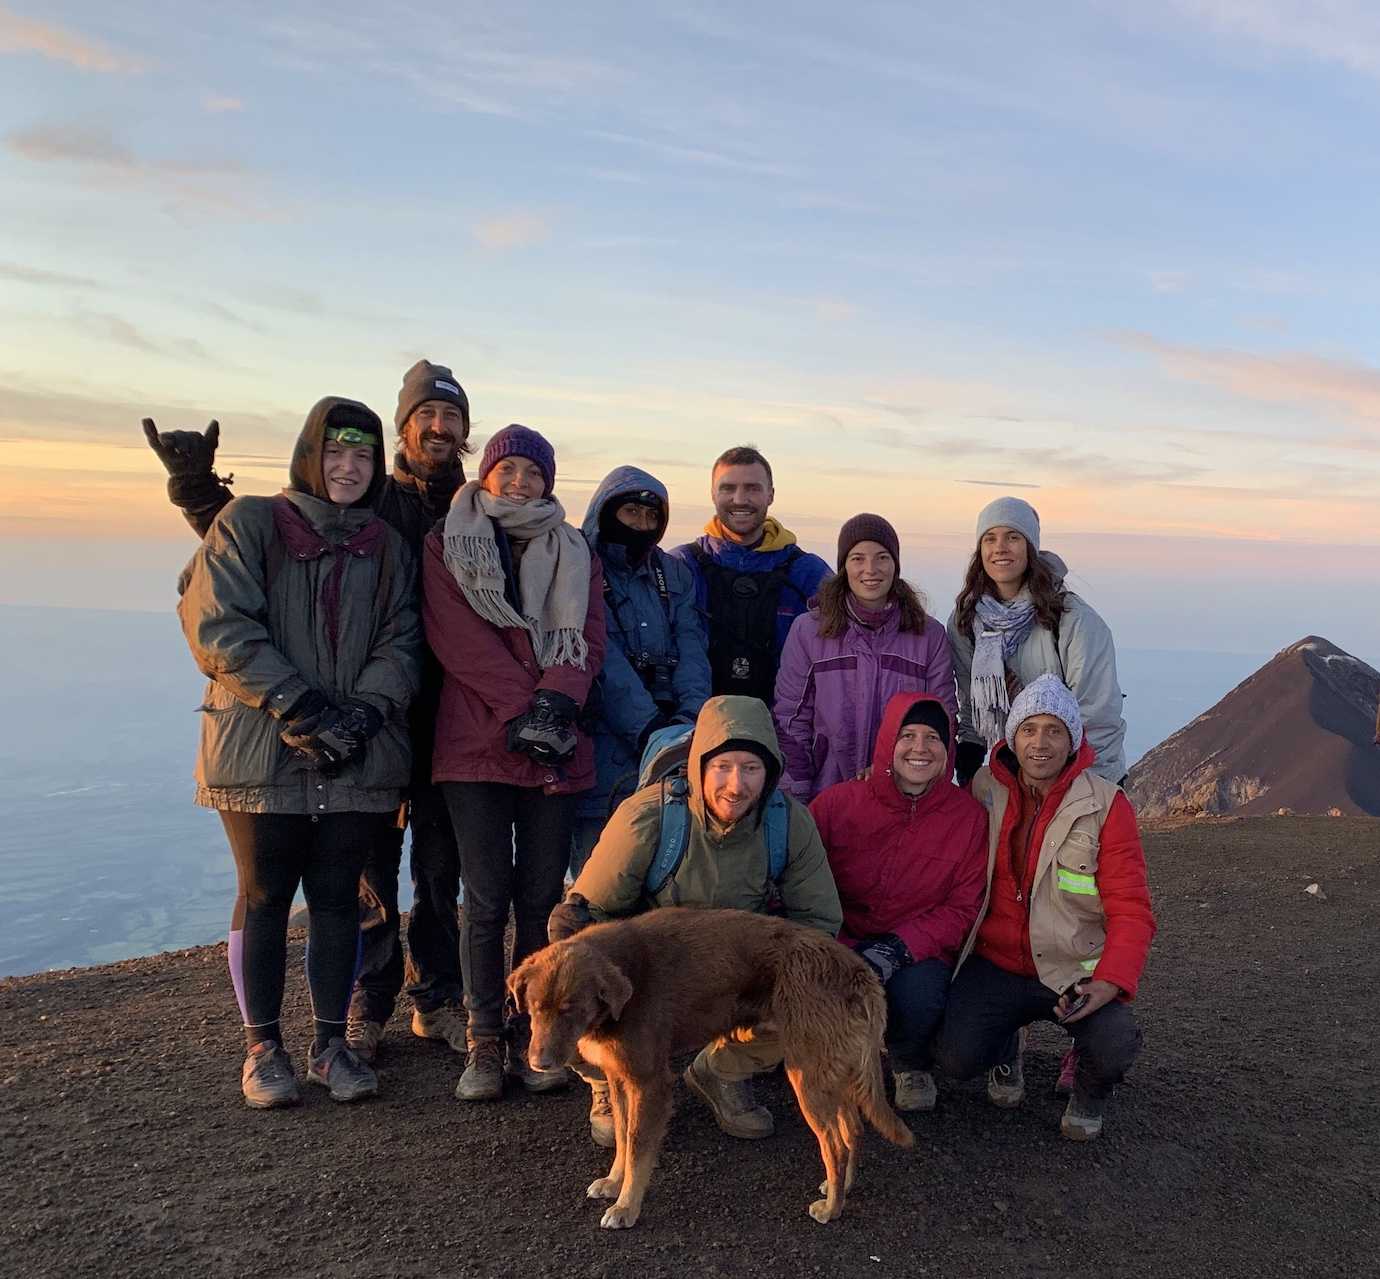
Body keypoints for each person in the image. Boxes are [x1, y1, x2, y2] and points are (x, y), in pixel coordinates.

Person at [146, 360, 472, 1063]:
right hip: (361, 723)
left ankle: (438, 998)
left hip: (439, 717)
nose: (441, 428)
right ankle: (368, 1001)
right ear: (407, 426)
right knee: (366, 876)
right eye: (428, 417)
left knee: (441, 872)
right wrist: (200, 492)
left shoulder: (475, 508)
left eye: (452, 419)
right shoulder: (367, 502)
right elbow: (264, 550)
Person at [177, 397, 421, 1108]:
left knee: (339, 896)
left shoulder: (388, 546)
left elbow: (403, 639)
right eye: (336, 452)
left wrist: (364, 712)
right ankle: (262, 1048)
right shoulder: (250, 521)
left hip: (358, 750)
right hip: (260, 747)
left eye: (364, 455)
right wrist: (300, 705)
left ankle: (330, 1042)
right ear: (310, 455)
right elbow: (218, 624)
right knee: (263, 893)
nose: (349, 467)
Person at [549, 694, 843, 1146]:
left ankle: (720, 1070)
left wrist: (789, 986)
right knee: (567, 985)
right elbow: (582, 916)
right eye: (722, 767)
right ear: (699, 766)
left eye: (751, 769)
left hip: (732, 975)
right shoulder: (649, 818)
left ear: (770, 775)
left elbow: (819, 919)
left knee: (810, 998)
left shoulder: (789, 824)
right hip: (646, 972)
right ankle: (607, 1082)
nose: (736, 784)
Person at [424, 425, 607, 1102]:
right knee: (486, 897)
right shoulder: (451, 540)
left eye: (535, 473)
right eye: (511, 471)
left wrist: (556, 705)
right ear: (488, 473)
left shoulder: (573, 548)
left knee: (539, 895)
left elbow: (587, 635)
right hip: (477, 744)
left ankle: (538, 1035)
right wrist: (522, 710)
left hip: (556, 743)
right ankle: (482, 1039)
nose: (523, 483)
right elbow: (457, 638)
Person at [934, 675, 1156, 1140]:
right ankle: (1005, 1046)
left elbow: (1131, 909)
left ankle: (1091, 1092)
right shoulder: (983, 789)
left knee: (1112, 1040)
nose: (1040, 743)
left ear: (1072, 740)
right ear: (1012, 736)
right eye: (1029, 729)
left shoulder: (1105, 805)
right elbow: (933, 819)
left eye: (1054, 730)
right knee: (955, 1057)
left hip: (1071, 968)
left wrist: (1111, 980)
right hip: (994, 963)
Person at [809, 692, 987, 1112]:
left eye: (933, 738)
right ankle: (836, 1058)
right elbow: (801, 880)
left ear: (949, 749)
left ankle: (910, 1060)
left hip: (915, 949)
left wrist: (897, 949)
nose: (920, 749)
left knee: (922, 994)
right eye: (908, 735)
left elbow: (963, 908)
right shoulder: (838, 805)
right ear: (889, 740)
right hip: (842, 936)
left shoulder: (968, 818)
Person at [574, 467, 711, 873]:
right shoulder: (579, 567)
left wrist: (690, 721)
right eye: (630, 512)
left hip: (673, 742)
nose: (642, 525)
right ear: (605, 511)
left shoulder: (673, 573)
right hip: (601, 747)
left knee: (663, 874)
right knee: (600, 874)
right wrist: (647, 726)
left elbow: (691, 647)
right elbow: (598, 655)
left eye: (652, 517)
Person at [775, 514, 956, 802]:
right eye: (858, 558)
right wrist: (796, 798)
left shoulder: (927, 634)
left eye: (882, 557)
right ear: (843, 566)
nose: (870, 569)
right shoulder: (809, 630)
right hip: (825, 793)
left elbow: (942, 721)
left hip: (902, 795)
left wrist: (917, 790)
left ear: (895, 565)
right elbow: (791, 720)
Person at [948, 497, 1127, 787]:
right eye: (989, 538)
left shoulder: (1070, 619)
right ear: (979, 550)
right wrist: (968, 772)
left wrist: (1087, 787)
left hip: (1079, 775)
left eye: (1013, 537)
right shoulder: (966, 622)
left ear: (1030, 547)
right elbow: (971, 707)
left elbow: (1096, 714)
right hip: (1009, 776)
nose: (1000, 548)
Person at [669, 446, 830, 702]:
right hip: (696, 726)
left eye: (752, 488)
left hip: (783, 729)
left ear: (771, 495)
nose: (740, 499)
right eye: (728, 488)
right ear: (712, 494)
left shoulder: (808, 573)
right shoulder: (681, 566)